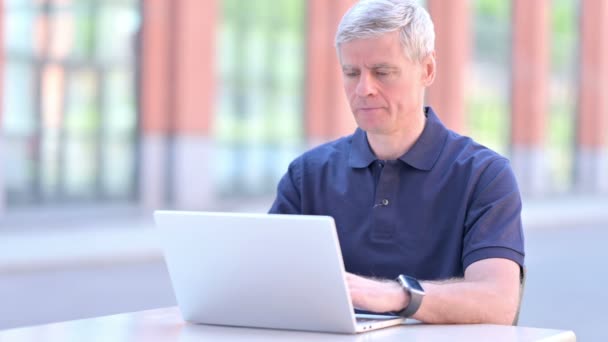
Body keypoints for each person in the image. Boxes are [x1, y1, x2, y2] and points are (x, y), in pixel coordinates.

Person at [269, 0, 524, 325]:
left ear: (427, 70)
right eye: (351, 72)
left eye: (383, 72)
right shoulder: (307, 175)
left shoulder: (484, 176)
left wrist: (396, 295)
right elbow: (269, 284)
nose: (364, 89)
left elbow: (498, 302)